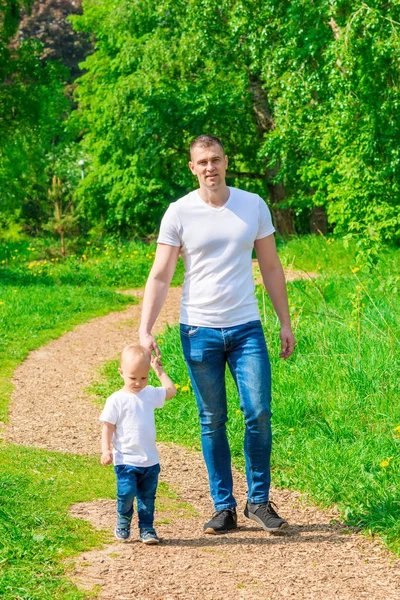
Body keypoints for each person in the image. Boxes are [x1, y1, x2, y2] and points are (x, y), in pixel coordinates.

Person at [139, 134, 295, 534]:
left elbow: (272, 267)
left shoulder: (252, 205)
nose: (210, 167)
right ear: (192, 168)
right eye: (202, 162)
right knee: (212, 419)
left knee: (258, 413)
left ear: (227, 162)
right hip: (198, 330)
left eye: (216, 160)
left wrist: (285, 321)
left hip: (247, 328)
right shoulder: (179, 212)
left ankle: (258, 502)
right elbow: (161, 274)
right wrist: (145, 328)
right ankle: (223, 507)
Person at [100, 344, 176, 544]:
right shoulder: (116, 400)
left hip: (149, 460)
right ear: (121, 373)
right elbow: (107, 426)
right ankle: (123, 519)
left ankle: (147, 528)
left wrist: (160, 372)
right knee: (126, 493)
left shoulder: (149, 393)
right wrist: (106, 450)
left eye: (143, 378)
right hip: (125, 459)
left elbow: (171, 391)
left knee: (147, 498)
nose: (138, 383)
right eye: (133, 378)